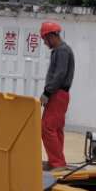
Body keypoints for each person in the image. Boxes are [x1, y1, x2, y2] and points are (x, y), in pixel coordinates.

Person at [39, 20, 74, 170]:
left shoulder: (62, 51)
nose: (44, 43)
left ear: (51, 36)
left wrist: (47, 92)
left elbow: (59, 74)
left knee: (47, 127)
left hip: (57, 94)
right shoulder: (61, 50)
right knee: (56, 129)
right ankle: (57, 161)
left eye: (45, 39)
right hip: (60, 94)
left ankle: (57, 163)